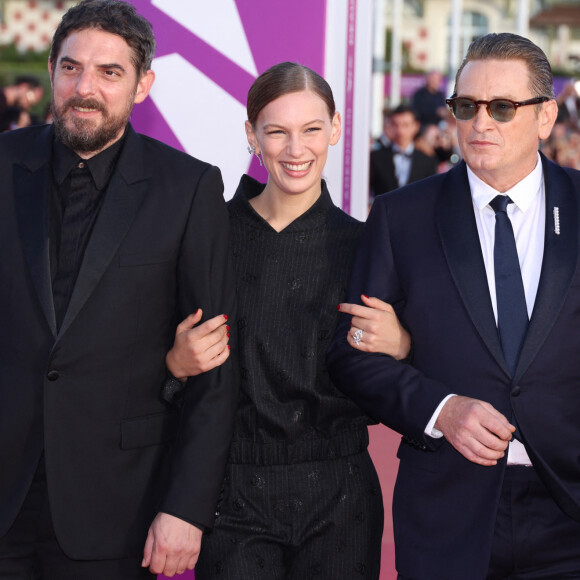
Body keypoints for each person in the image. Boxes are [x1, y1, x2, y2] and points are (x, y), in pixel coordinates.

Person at [328, 32, 580, 579]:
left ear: (546, 117)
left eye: (503, 107)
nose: (480, 122)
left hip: (569, 509)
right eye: (466, 106)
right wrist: (441, 409)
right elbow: (353, 356)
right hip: (448, 509)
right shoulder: (400, 217)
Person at [0, 1, 237, 578]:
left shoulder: (188, 188)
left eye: (110, 73)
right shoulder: (4, 164)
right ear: (51, 71)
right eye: (71, 68)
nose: (86, 88)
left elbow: (215, 370)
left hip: (117, 504)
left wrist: (185, 509)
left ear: (142, 85)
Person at [165, 62, 410, 580]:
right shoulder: (209, 237)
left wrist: (404, 344)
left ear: (337, 129)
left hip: (342, 496)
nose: (296, 150)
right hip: (231, 491)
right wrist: (174, 364)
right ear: (251, 135)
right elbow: (140, 347)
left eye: (312, 130)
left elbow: (422, 367)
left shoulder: (367, 245)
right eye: (277, 131)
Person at [369, 104, 438, 197]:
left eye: (405, 125)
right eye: (395, 125)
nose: (400, 130)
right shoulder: (375, 157)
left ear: (416, 126)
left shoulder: (427, 161)